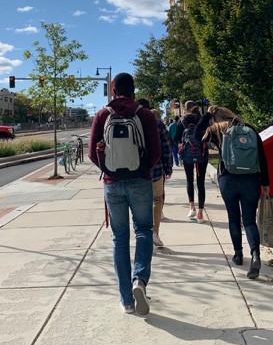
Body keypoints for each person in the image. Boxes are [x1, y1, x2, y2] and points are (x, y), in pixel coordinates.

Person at [89, 73, 161, 315]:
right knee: (143, 231)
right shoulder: (145, 114)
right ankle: (139, 280)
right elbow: (156, 151)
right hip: (140, 181)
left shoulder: (102, 115)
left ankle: (126, 301)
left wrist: (108, 170)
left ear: (113, 88)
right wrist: (144, 170)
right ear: (134, 89)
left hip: (112, 183)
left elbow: (91, 153)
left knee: (120, 239)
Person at [195, 105, 270, 279]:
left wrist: (206, 116)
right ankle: (256, 254)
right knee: (250, 220)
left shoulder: (216, 130)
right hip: (251, 179)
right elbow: (261, 156)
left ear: (216, 118)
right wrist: (265, 182)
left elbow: (196, 135)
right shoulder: (249, 129)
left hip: (228, 179)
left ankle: (238, 254)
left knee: (233, 218)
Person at [137, 100, 174, 248]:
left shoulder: (132, 122)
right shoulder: (158, 124)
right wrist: (168, 168)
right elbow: (167, 147)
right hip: (156, 170)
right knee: (157, 199)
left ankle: (141, 233)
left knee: (139, 203)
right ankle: (154, 231)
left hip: (136, 172)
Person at [173, 101, 207, 223]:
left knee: (189, 180)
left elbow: (176, 138)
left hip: (187, 153)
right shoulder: (202, 119)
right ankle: (200, 213)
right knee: (201, 182)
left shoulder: (182, 120)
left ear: (185, 108)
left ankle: (192, 207)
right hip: (202, 153)